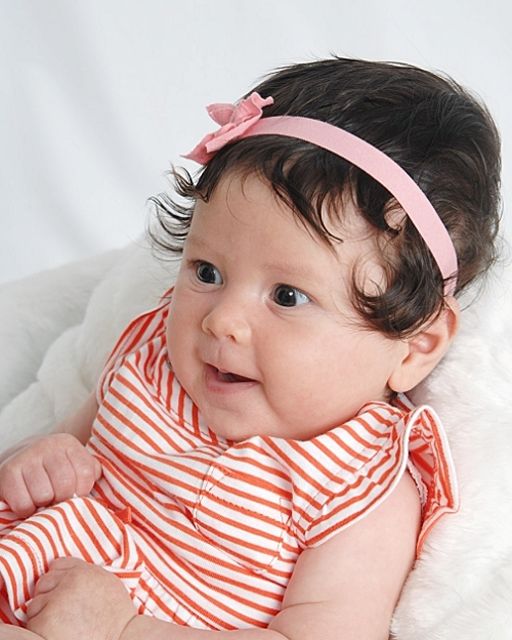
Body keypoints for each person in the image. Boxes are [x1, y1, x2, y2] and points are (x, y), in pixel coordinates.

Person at [0, 56, 501, 640]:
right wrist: (37, 463)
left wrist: (126, 629)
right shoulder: (153, 359)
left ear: (415, 346)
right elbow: (62, 443)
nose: (223, 321)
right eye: (207, 272)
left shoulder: (356, 489)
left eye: (287, 296)